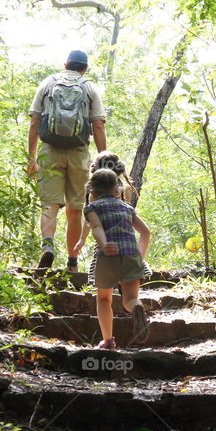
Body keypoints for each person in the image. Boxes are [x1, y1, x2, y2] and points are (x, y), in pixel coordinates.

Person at [27, 50, 107, 271]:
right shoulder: (89, 87)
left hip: (49, 150)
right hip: (79, 154)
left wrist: (31, 158)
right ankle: (72, 263)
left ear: (65, 64)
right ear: (85, 68)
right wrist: (103, 158)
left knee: (49, 204)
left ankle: (48, 247)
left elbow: (34, 122)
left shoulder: (48, 83)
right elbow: (98, 124)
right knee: (75, 208)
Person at [79, 168, 151, 349]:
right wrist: (139, 257)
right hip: (130, 256)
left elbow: (96, 227)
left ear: (92, 192)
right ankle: (137, 308)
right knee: (129, 299)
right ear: (117, 191)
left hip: (107, 257)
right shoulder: (127, 207)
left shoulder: (91, 208)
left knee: (104, 299)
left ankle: (108, 341)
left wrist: (104, 244)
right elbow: (145, 232)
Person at [75, 151, 153, 286]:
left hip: (105, 242)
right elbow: (130, 218)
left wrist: (82, 239)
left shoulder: (95, 194)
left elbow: (92, 222)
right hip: (127, 241)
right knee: (128, 281)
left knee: (103, 287)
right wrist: (139, 257)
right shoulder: (125, 189)